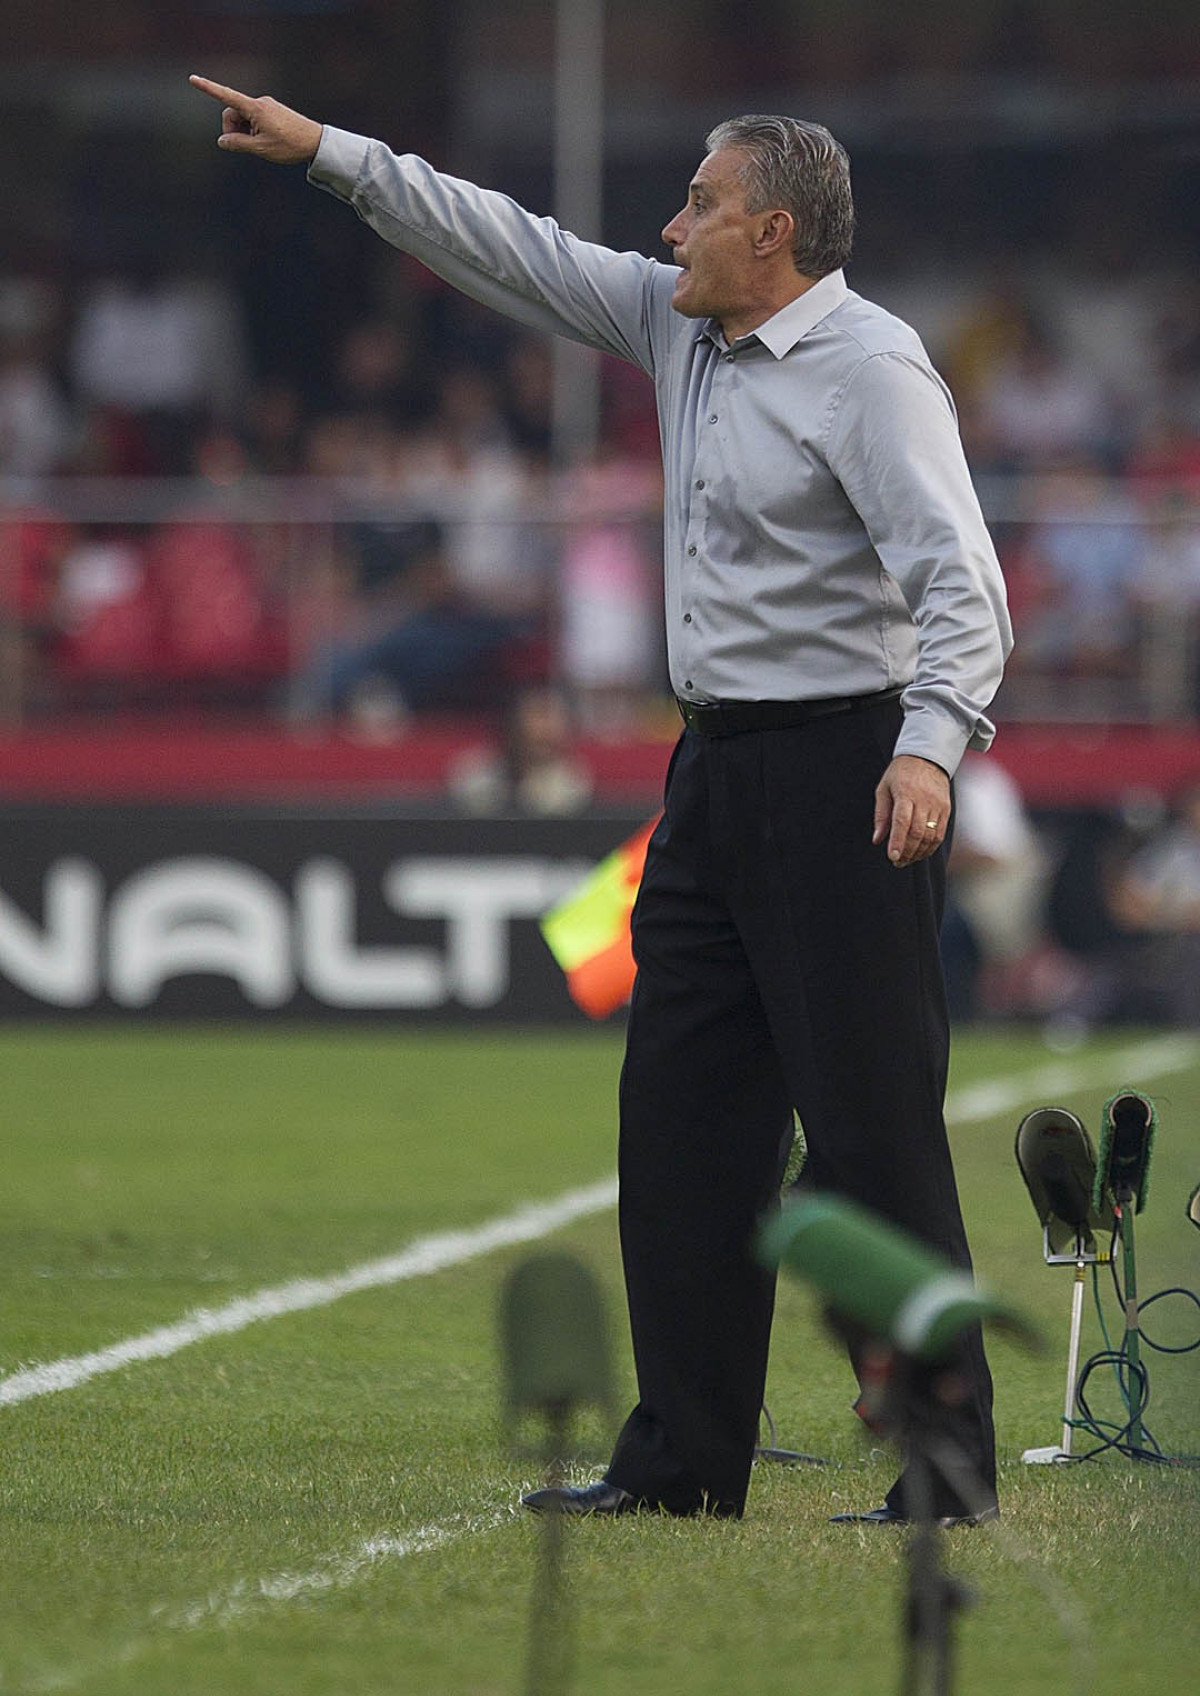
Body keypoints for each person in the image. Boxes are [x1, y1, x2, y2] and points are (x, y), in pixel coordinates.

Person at [189, 76, 1012, 1524]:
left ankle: (948, 1464)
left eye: (697, 202)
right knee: (682, 1121)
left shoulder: (874, 370)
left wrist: (930, 749)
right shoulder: (674, 324)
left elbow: (966, 585)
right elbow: (506, 242)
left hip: (847, 770)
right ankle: (687, 1464)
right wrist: (332, 156)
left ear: (771, 230)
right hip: (712, 775)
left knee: (875, 1131)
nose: (667, 224)